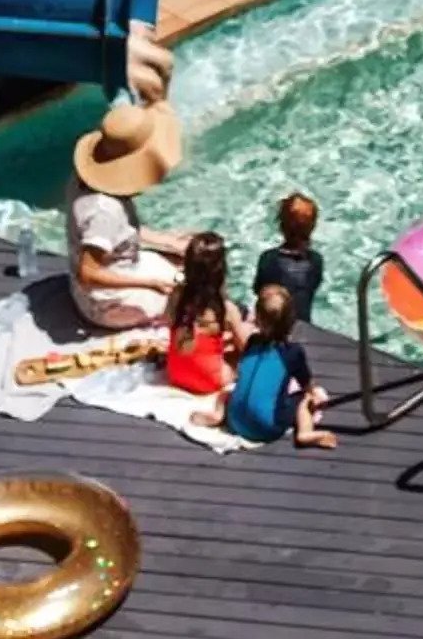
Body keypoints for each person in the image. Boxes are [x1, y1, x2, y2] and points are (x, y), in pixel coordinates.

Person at [64, 97, 189, 331]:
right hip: (106, 302)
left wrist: (168, 241)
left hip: (122, 267)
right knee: (188, 296)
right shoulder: (104, 210)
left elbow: (120, 232)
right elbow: (88, 274)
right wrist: (150, 284)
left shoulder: (84, 181)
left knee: (188, 257)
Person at [206, 282, 337, 447]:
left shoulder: (252, 342)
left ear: (258, 318)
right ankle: (305, 432)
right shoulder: (292, 352)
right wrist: (314, 395)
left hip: (233, 420)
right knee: (304, 398)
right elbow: (307, 385)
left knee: (230, 391)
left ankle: (219, 414)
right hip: (267, 428)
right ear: (291, 319)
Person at [163, 229, 248, 400]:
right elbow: (247, 347)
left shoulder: (176, 296)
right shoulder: (225, 308)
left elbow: (169, 320)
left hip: (175, 374)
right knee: (242, 352)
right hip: (210, 382)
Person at [252, 189, 324, 322]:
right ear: (312, 227)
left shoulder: (268, 258)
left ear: (281, 225)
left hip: (270, 327)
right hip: (303, 327)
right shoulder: (316, 260)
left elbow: (257, 289)